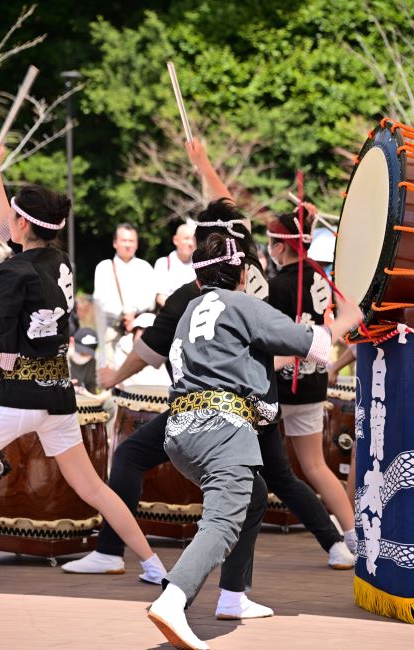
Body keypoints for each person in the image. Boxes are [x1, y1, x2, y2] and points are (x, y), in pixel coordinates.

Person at [62, 141, 354, 583]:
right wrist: (201, 164)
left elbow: (150, 351)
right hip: (260, 404)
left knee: (139, 459)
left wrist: (111, 377)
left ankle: (136, 564)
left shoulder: (193, 296)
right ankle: (300, 559)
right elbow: (304, 340)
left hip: (206, 412)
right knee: (270, 484)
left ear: (200, 253)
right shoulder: (255, 273)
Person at [147, 232, 362, 650]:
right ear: (243, 275)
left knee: (254, 496)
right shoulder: (242, 304)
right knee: (223, 520)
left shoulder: (191, 308)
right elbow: (313, 344)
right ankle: (173, 598)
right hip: (222, 429)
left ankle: (233, 596)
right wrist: (346, 319)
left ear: (199, 278)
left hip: (180, 429)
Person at [0, 138, 166, 585]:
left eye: (14, 218)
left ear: (25, 224)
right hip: (57, 397)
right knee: (93, 488)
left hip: (14, 397)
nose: (8, 222)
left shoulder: (9, 272)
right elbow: (9, 228)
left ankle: (143, 561)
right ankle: (153, 564)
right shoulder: (57, 262)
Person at [267, 206, 356, 552]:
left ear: (280, 246)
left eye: (273, 242)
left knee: (261, 467)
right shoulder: (322, 276)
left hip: (280, 383)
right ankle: (351, 536)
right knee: (316, 465)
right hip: (315, 376)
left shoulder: (277, 286)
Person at [93, 223, 156, 365]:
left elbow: (150, 298)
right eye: (124, 240)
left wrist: (133, 313)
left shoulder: (145, 267)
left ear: (137, 244)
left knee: (135, 379)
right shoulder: (104, 267)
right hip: (112, 329)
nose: (127, 245)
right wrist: (124, 314)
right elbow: (101, 299)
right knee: (110, 375)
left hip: (138, 330)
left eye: (131, 241)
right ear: (115, 243)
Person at [154, 223, 196, 307]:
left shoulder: (200, 265)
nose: (191, 243)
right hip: (171, 315)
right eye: (186, 238)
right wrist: (176, 311)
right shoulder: (163, 263)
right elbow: (160, 296)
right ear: (175, 240)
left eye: (194, 239)